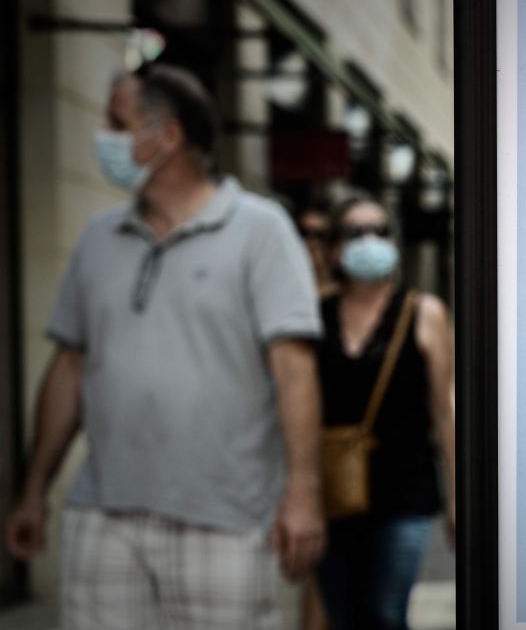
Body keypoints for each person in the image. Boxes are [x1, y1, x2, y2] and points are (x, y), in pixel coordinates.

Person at [4, 64, 326, 629]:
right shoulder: (98, 236)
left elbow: (294, 371)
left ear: (167, 136)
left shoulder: (261, 229)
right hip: (104, 518)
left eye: (117, 122)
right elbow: (68, 368)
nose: (102, 136)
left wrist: (303, 494)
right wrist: (35, 489)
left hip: (225, 520)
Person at [313, 196, 456, 630]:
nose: (370, 241)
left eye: (380, 231)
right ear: (335, 250)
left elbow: (444, 409)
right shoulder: (314, 313)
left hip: (405, 491)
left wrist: (459, 498)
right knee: (344, 614)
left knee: (384, 612)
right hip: (332, 491)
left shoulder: (424, 313)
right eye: (355, 233)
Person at [297, 196, 338, 299]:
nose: (312, 241)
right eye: (303, 233)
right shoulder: (284, 285)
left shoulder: (344, 293)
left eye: (320, 235)